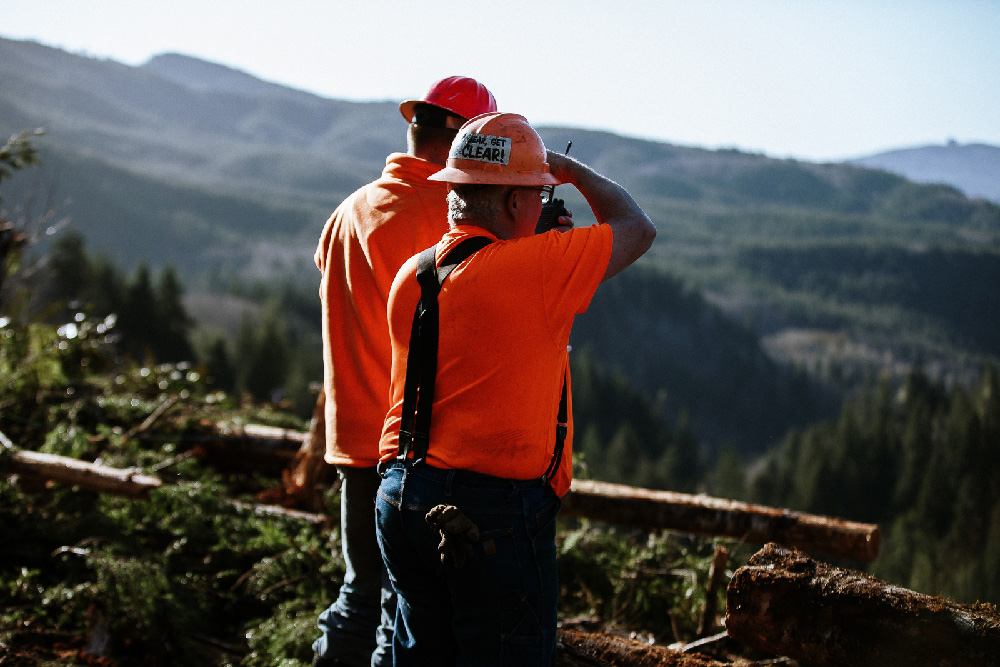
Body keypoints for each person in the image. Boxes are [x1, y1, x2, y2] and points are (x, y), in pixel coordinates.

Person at [375, 112, 656, 666]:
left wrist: (532, 231)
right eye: (534, 196)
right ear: (512, 203)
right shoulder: (537, 270)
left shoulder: (413, 274)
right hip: (489, 512)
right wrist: (568, 170)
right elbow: (637, 227)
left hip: (401, 494)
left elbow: (487, 295)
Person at [312, 76, 498, 667]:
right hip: (413, 447)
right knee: (404, 609)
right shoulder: (444, 220)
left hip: (353, 440)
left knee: (358, 595)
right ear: (460, 139)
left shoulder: (348, 210)